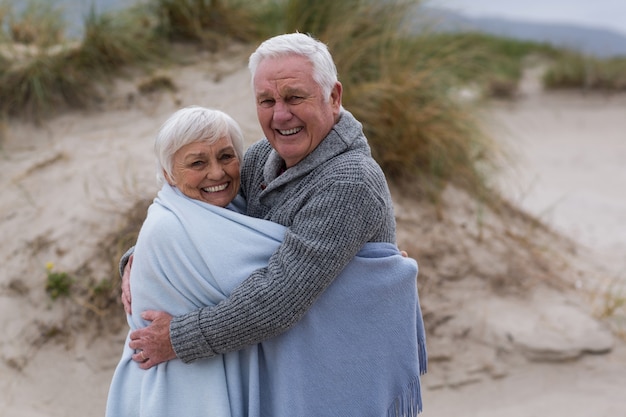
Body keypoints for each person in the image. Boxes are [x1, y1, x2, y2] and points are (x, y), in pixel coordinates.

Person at [118, 33, 427, 415]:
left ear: (333, 97)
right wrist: (144, 255)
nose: (281, 115)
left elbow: (278, 298)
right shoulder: (266, 154)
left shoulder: (349, 181)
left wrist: (177, 339)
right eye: (267, 101)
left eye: (295, 97)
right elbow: (212, 222)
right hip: (285, 366)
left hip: (335, 372)